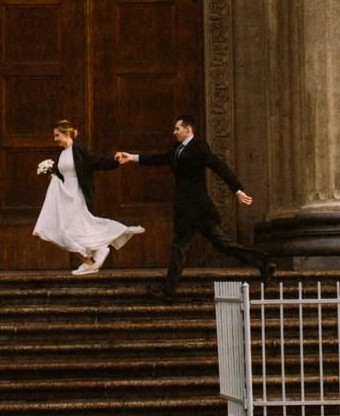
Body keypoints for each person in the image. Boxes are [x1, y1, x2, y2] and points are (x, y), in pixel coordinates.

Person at [116, 115, 276, 299]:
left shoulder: (199, 147)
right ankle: (263, 263)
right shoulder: (177, 149)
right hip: (191, 209)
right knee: (221, 244)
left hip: (196, 208)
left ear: (188, 129)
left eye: (177, 129)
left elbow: (219, 166)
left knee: (180, 247)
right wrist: (132, 157)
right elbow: (159, 159)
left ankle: (168, 292)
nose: (174, 132)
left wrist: (237, 189)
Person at [32, 121, 143, 275]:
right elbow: (64, 174)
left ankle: (93, 256)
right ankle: (97, 252)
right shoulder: (62, 154)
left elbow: (95, 161)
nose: (55, 139)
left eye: (57, 135)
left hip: (77, 194)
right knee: (69, 228)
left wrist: (115, 162)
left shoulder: (79, 150)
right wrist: (53, 176)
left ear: (67, 133)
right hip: (66, 195)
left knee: (70, 229)